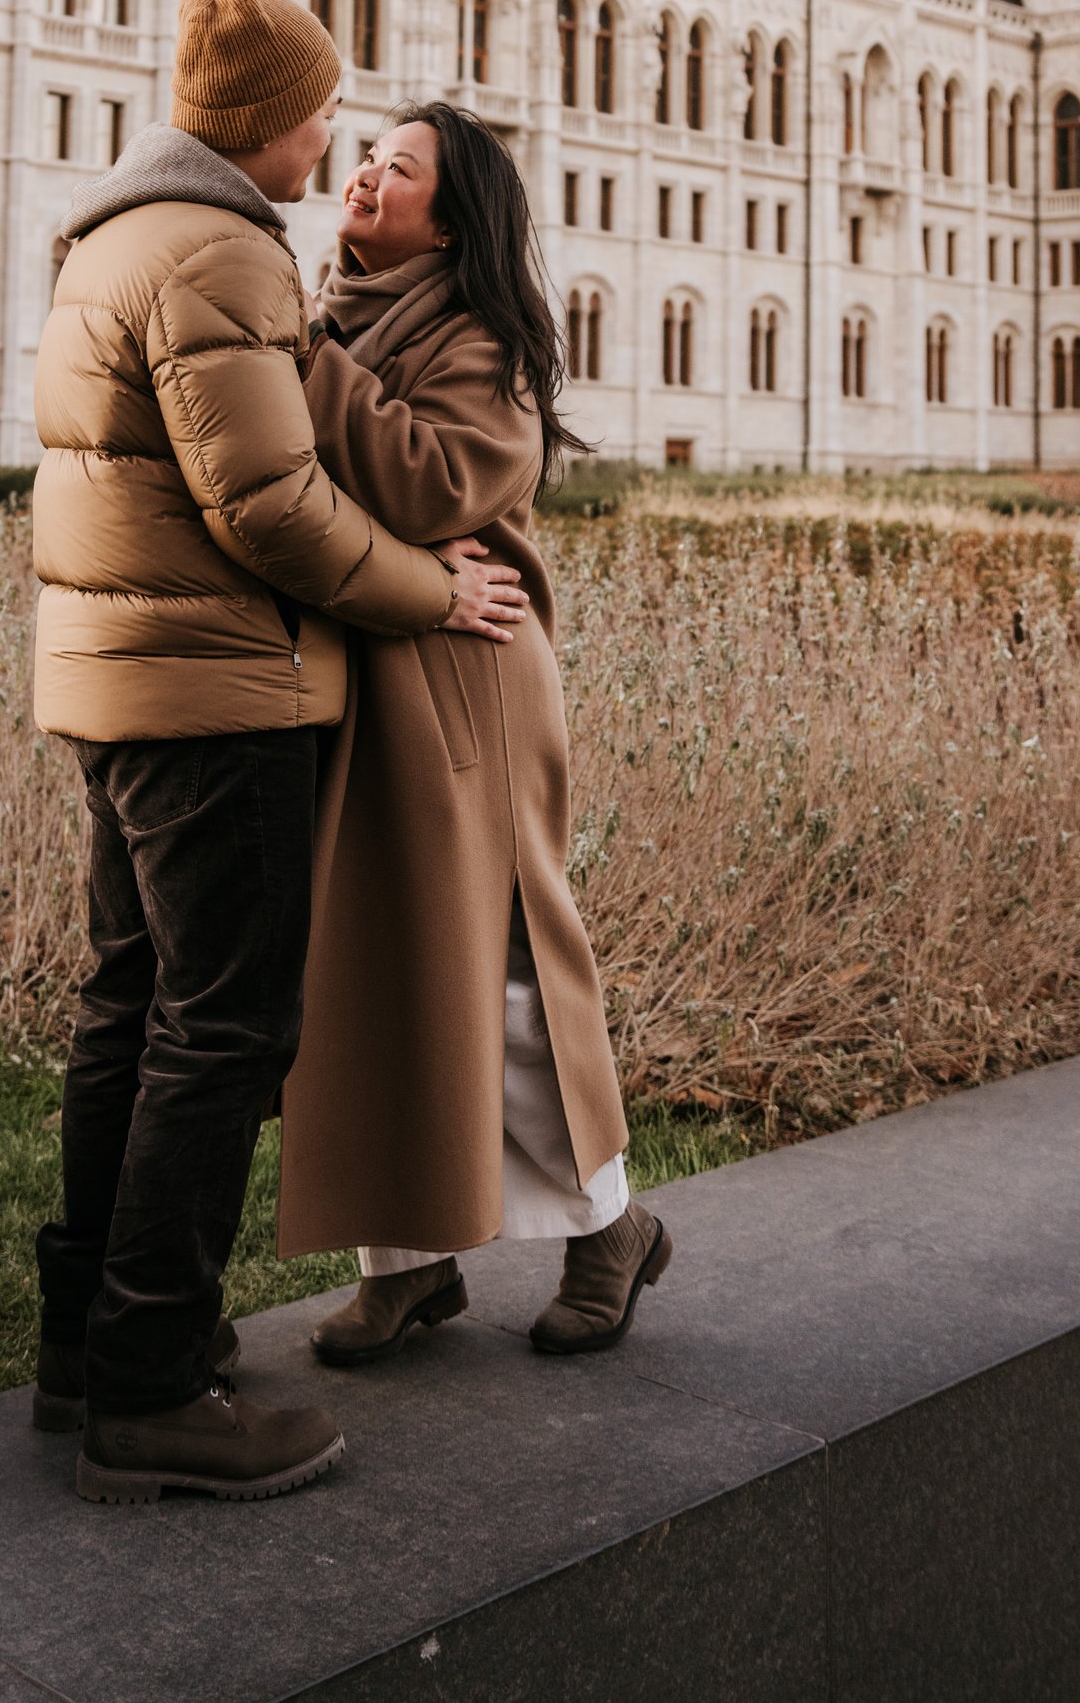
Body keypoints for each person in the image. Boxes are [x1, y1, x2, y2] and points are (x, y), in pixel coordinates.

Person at [31, 0, 528, 1506]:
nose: (332, 140)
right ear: (263, 121)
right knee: (223, 1031)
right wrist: (435, 589)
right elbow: (273, 509)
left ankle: (89, 1346)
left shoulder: (114, 233)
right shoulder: (223, 250)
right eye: (320, 112)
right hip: (220, 693)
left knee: (132, 1008)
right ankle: (152, 1386)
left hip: (124, 681)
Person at [277, 103, 672, 1360]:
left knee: (504, 977)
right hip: (369, 670)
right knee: (371, 970)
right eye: (367, 156)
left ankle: (609, 1225)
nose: (365, 175)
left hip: (466, 688)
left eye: (398, 169)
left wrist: (304, 363)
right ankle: (407, 1260)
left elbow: (431, 481)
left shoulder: (476, 341)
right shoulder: (331, 312)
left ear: (448, 224)